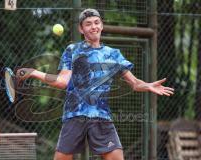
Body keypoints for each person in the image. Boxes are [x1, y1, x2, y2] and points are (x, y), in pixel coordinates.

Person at [17, 8, 174, 160]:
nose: (94, 27)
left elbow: (134, 83)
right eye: (88, 24)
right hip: (75, 115)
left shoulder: (114, 54)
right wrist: (34, 72)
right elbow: (62, 81)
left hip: (101, 117)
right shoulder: (72, 50)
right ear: (81, 29)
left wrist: (147, 85)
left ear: (102, 25)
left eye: (97, 22)